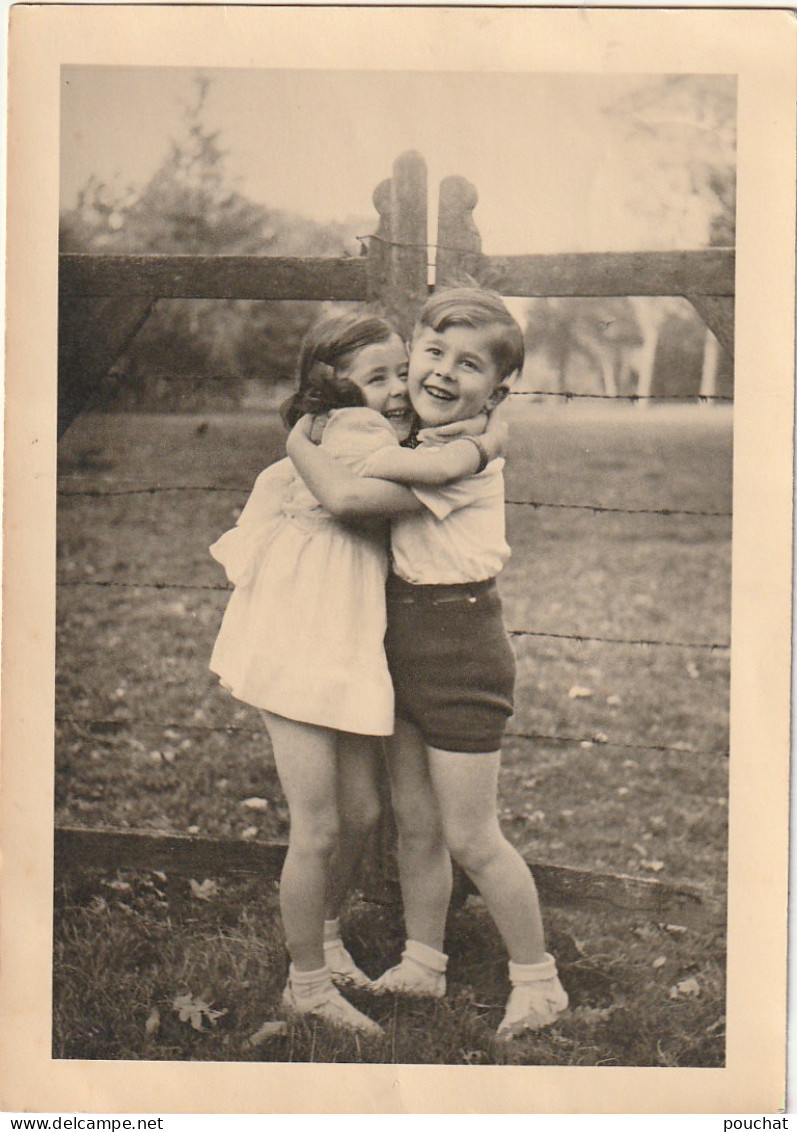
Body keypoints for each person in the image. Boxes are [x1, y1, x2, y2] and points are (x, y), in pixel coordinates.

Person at [209, 308, 504, 1036]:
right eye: (378, 377)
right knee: (317, 827)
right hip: (301, 641)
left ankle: (326, 940)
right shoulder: (355, 435)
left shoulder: (359, 431)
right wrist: (485, 448)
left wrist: (474, 442)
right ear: (331, 389)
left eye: (399, 370)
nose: (400, 389)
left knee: (363, 813)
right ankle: (304, 984)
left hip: (335, 640)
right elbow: (354, 498)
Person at [287, 287, 569, 1040]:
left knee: (472, 834)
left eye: (468, 365)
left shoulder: (459, 458)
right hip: (403, 644)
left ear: (496, 392)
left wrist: (303, 444)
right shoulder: (421, 436)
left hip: (460, 651)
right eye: (433, 354)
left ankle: (537, 981)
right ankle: (422, 960)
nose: (443, 373)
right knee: (416, 825)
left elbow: (353, 491)